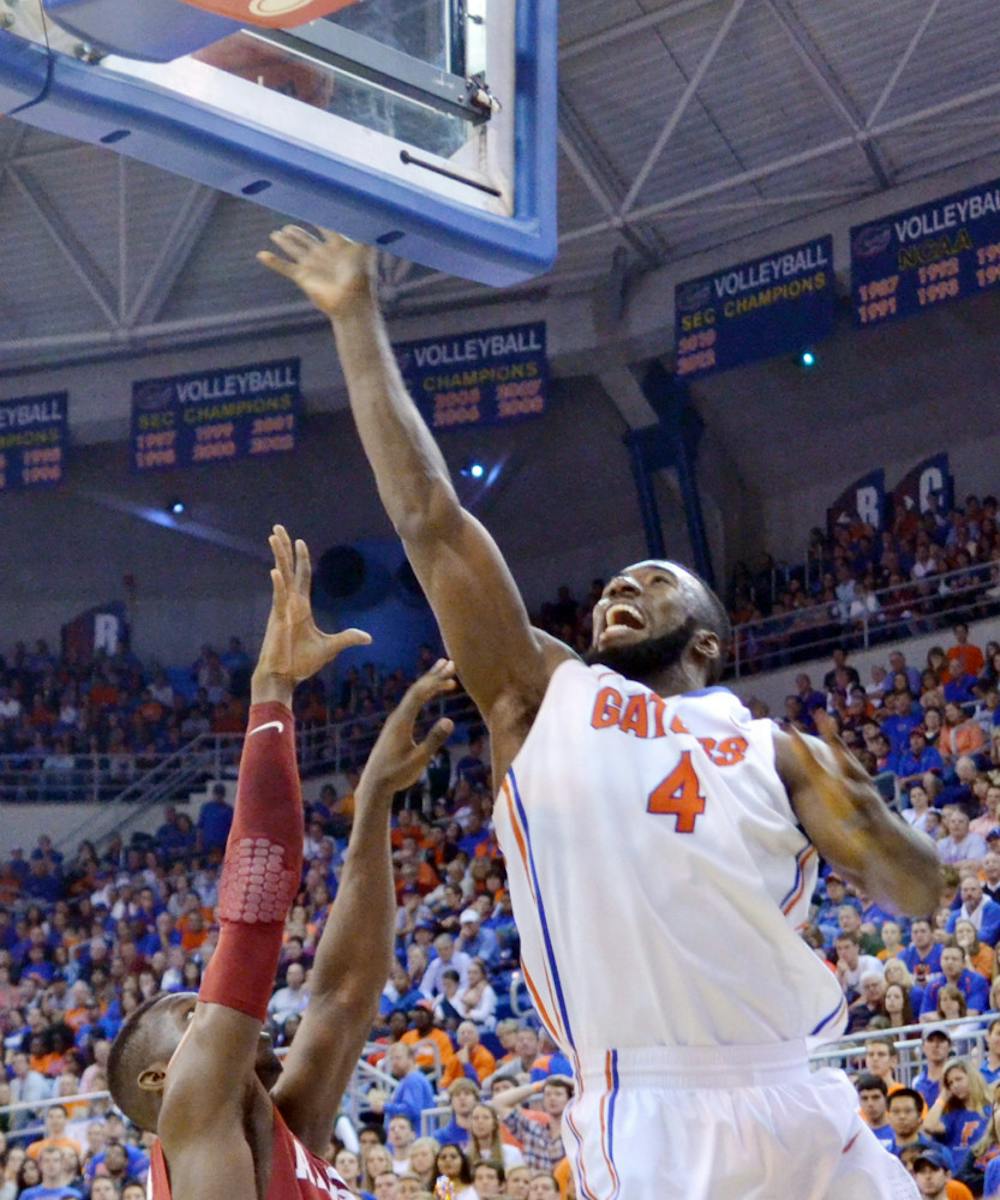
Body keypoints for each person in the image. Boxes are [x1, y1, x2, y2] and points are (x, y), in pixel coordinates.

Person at [260, 225, 939, 1199]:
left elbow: (912, 894)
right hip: (648, 1106)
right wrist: (359, 318)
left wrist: (890, 842)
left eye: (654, 580)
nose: (622, 587)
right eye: (614, 583)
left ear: (706, 639)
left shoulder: (775, 752)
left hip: (798, 1088)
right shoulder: (542, 696)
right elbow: (432, 521)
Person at [104, 527, 456, 1200]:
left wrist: (376, 798)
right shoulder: (195, 1113)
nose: (219, 1010)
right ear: (161, 1078)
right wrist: (271, 690)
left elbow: (345, 998)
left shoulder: (276, 1139)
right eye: (193, 1015)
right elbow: (254, 911)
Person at [922, 1058, 993, 1153]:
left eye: (958, 1079)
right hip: (956, 1167)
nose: (955, 1085)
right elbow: (929, 1126)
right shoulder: (952, 1117)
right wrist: (943, 1097)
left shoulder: (991, 1111)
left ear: (972, 1078)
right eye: (950, 1083)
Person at [856, 1074, 895, 1149]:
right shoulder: (856, 1134)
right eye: (864, 1098)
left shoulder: (899, 1131)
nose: (870, 1104)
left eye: (875, 1097)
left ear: (886, 1099)